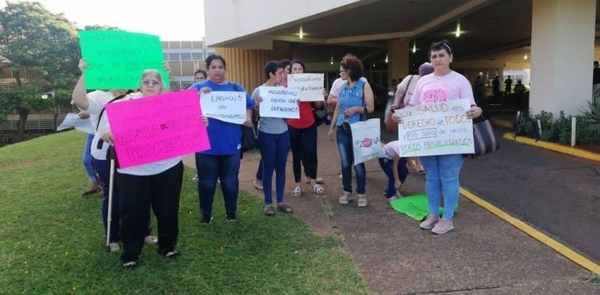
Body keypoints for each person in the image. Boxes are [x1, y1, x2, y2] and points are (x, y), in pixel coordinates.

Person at [100, 69, 190, 269]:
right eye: (146, 81)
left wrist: (199, 123)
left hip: (167, 167)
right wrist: (107, 133)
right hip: (133, 171)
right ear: (140, 84)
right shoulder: (123, 104)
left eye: (155, 82)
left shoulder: (170, 104)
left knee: (168, 209)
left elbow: (186, 125)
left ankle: (167, 246)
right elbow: (105, 129)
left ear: (161, 86)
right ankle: (131, 253)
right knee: (133, 214)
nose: (150, 85)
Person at [395, 40, 482, 235]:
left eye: (442, 55)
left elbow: (472, 106)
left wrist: (477, 110)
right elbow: (413, 107)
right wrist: (401, 115)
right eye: (434, 56)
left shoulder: (460, 80)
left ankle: (448, 218)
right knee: (432, 178)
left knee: (449, 178)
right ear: (430, 60)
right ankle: (433, 213)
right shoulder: (423, 82)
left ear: (450, 58)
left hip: (451, 139)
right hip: (428, 140)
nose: (438, 59)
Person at [71, 59, 158, 253]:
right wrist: (84, 73)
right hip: (105, 155)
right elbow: (79, 101)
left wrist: (165, 74)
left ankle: (144, 231)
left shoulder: (137, 96)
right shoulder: (99, 96)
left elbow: (163, 101)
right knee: (114, 196)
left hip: (137, 153)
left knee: (142, 193)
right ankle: (112, 237)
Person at [189, 55, 253, 224]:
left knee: (230, 181)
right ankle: (206, 214)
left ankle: (231, 212)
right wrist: (198, 96)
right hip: (205, 146)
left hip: (231, 145)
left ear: (225, 69)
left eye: (220, 67)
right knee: (206, 183)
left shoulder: (236, 88)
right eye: (213, 67)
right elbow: (182, 107)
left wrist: (248, 118)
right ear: (208, 69)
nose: (217, 70)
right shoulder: (197, 88)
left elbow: (248, 106)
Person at [327, 57, 374, 207]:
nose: (340, 73)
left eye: (342, 70)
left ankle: (361, 193)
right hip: (343, 128)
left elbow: (370, 108)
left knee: (359, 163)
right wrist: (331, 127)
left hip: (358, 129)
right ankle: (346, 191)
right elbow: (338, 109)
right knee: (345, 162)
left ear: (350, 71)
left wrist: (356, 109)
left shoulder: (364, 85)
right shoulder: (343, 87)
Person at [253, 60, 294, 216]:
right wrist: (256, 106)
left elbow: (288, 114)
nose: (283, 76)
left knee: (281, 168)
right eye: (280, 73)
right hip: (266, 133)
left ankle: (281, 201)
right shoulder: (259, 91)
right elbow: (254, 115)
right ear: (271, 74)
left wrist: (292, 105)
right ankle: (268, 203)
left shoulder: (283, 91)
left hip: (283, 133)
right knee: (268, 168)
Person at [286, 59, 325, 197]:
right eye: (294, 69)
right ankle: (297, 184)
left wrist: (320, 94)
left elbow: (318, 105)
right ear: (290, 72)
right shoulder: (286, 87)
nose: (297, 71)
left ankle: (313, 182)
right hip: (293, 125)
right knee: (296, 155)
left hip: (309, 124)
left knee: (311, 153)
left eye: (300, 69)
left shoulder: (310, 84)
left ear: (304, 71)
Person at [391, 62, 434, 175]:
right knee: (410, 139)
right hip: (408, 114)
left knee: (422, 139)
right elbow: (399, 92)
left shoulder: (434, 82)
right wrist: (396, 104)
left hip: (425, 116)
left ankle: (419, 163)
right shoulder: (410, 79)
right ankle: (411, 163)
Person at [79, 111, 102, 197]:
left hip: (104, 131)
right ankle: (96, 184)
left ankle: (106, 185)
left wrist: (91, 113)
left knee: (103, 161)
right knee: (87, 161)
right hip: (92, 132)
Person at [192, 69, 207, 183]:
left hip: (209, 124)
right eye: (197, 78)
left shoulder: (210, 89)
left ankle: (215, 175)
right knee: (199, 149)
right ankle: (199, 173)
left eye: (202, 78)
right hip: (197, 124)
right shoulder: (192, 89)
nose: (199, 80)